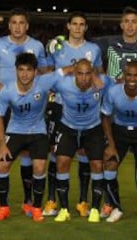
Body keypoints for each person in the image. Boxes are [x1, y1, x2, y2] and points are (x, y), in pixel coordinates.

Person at [93, 6, 137, 217]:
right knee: (109, 161)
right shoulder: (107, 43)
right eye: (127, 21)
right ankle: (111, 205)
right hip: (115, 111)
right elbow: (86, 49)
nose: (131, 25)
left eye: (135, 21)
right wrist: (102, 75)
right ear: (121, 24)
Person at [0, 7, 49, 216]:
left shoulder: (36, 46)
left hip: (30, 107)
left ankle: (28, 201)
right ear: (9, 25)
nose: (17, 27)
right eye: (14, 23)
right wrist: (9, 93)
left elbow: (44, 72)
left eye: (21, 23)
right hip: (5, 103)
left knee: (28, 153)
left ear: (27, 25)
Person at [0, 52, 70, 222]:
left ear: (35, 72)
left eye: (28, 70)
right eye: (21, 70)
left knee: (40, 168)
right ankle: (4, 208)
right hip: (15, 130)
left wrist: (84, 68)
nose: (24, 74)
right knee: (2, 165)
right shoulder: (8, 90)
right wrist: (2, 144)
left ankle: (36, 208)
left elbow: (64, 71)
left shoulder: (43, 82)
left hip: (38, 131)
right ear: (16, 71)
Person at [42, 11, 104, 218]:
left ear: (86, 28)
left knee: (86, 154)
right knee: (56, 154)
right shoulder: (57, 47)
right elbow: (47, 74)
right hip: (59, 106)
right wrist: (67, 69)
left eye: (82, 24)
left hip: (84, 106)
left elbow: (99, 76)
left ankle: (83, 201)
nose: (78, 28)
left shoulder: (93, 49)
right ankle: (52, 200)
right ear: (68, 26)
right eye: (74, 24)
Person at [47, 59, 111, 223]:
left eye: (88, 73)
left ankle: (95, 209)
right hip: (68, 128)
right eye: (80, 73)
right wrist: (66, 69)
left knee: (97, 165)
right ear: (75, 73)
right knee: (61, 163)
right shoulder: (64, 84)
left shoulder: (102, 83)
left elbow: (122, 82)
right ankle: (64, 209)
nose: (84, 78)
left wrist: (99, 76)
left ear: (92, 74)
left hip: (92, 129)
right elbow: (45, 80)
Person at [101, 60, 137, 224]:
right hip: (119, 131)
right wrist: (111, 145)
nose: (132, 79)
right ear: (123, 76)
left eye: (136, 75)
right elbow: (105, 117)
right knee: (110, 165)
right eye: (129, 75)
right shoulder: (113, 92)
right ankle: (116, 208)